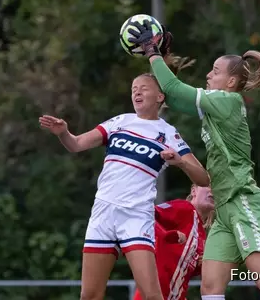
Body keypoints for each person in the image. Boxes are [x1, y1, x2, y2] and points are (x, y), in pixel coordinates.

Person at [127, 23, 260, 300]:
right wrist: (158, 59)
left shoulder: (227, 101)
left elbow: (174, 87)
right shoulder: (213, 108)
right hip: (224, 210)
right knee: (211, 289)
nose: (208, 75)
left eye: (215, 71)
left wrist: (152, 52)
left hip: (241, 199)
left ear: (231, 82)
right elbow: (170, 95)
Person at [39, 73, 210, 300]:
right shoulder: (120, 122)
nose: (137, 92)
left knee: (151, 295)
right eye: (133, 89)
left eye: (144, 88)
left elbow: (203, 178)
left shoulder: (169, 134)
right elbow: (76, 144)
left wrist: (179, 162)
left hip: (136, 216)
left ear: (160, 96)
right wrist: (64, 134)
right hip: (104, 211)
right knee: (89, 295)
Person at [133, 184, 215, 300]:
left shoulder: (202, 236)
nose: (213, 190)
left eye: (216, 187)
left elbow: (184, 271)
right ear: (193, 191)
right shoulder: (184, 208)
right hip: (151, 295)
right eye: (207, 185)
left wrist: (202, 265)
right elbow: (146, 214)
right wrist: (165, 234)